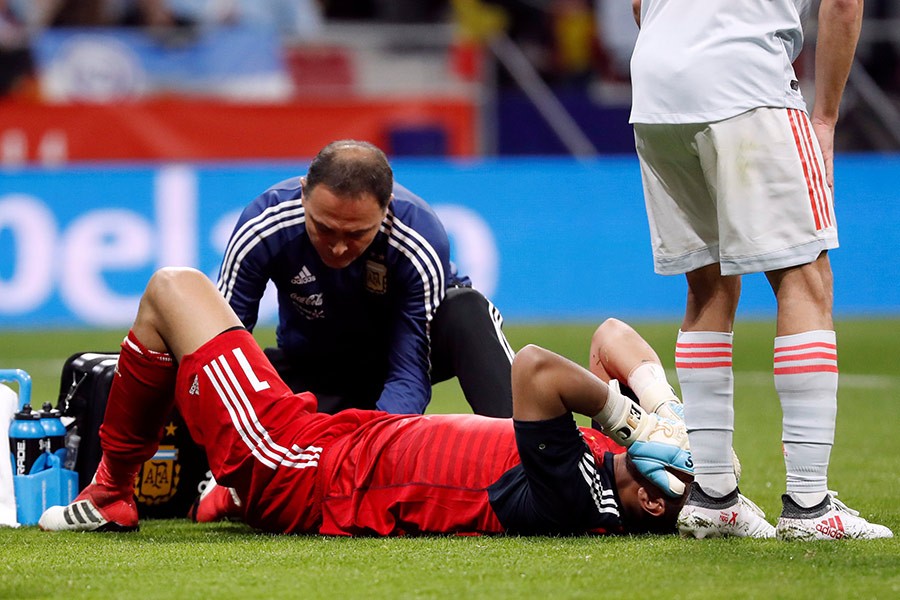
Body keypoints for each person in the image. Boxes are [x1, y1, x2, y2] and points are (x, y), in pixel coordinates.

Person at [39, 267, 693, 536]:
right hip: (337, 439)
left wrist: (632, 420)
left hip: (308, 469)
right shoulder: (618, 461)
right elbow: (613, 337)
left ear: (653, 497)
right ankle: (223, 493)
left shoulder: (576, 494)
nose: (675, 449)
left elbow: (536, 368)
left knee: (171, 289)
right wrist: (663, 408)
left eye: (679, 460)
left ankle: (109, 494)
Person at [629, 0, 892, 540]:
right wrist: (825, 118)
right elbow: (844, 5)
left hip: (655, 86)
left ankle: (713, 497)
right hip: (746, 82)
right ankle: (810, 506)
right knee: (805, 277)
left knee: (707, 284)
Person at [217, 140, 515, 419]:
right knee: (200, 360)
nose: (338, 247)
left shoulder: (417, 238)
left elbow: (410, 367)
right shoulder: (264, 225)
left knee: (466, 309)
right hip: (314, 364)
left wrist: (374, 444)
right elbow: (221, 345)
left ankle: (524, 455)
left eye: (356, 234)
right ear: (304, 193)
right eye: (324, 228)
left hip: (396, 358)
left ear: (387, 208)